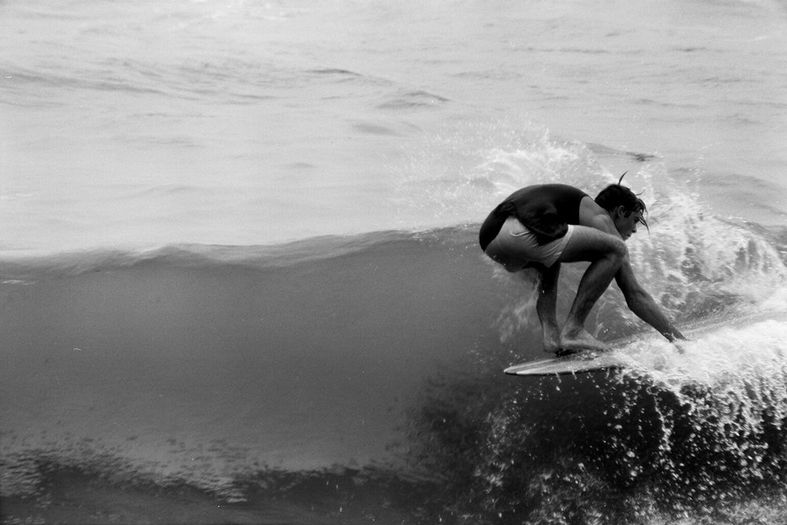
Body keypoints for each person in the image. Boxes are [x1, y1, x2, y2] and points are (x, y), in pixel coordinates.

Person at [479, 178, 685, 354]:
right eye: (635, 220)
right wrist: (678, 339)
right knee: (616, 249)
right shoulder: (601, 218)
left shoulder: (569, 209)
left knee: (549, 260)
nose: (635, 230)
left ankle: (551, 337)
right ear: (620, 211)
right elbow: (634, 294)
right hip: (523, 229)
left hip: (491, 237)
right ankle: (574, 329)